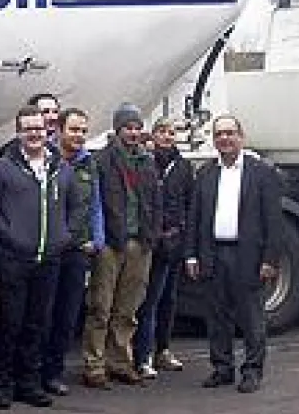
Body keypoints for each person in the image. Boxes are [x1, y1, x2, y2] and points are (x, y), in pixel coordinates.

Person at [0, 105, 75, 409]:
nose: (34, 134)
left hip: (49, 257)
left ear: (48, 131)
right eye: (28, 129)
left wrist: (66, 235)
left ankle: (28, 382)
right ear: (19, 132)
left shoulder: (61, 168)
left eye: (39, 128)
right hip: (15, 257)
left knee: (38, 322)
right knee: (11, 321)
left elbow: (77, 205)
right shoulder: (4, 168)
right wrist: (7, 235)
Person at [187, 115, 282, 393]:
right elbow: (195, 216)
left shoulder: (260, 172)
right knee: (216, 317)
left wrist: (270, 259)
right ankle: (222, 368)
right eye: (219, 134)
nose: (224, 138)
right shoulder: (205, 173)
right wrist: (192, 255)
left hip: (247, 255)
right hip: (213, 252)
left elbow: (273, 220)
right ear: (214, 140)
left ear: (241, 137)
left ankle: (252, 370)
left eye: (230, 133)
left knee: (251, 317)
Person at [81, 104, 159, 389]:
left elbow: (154, 201)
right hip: (112, 244)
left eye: (138, 127)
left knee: (128, 308)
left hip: (140, 243)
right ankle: (94, 364)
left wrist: (153, 236)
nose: (134, 133)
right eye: (128, 127)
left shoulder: (147, 162)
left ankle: (120, 361)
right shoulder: (101, 161)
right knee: (100, 306)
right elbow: (93, 203)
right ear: (117, 130)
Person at [41, 108, 106, 396]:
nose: (78, 136)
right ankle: (32, 372)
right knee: (43, 313)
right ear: (59, 130)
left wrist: (98, 238)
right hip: (48, 249)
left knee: (67, 315)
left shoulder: (88, 165)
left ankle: (54, 373)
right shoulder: (46, 161)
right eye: (74, 130)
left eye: (83, 130)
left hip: (77, 249)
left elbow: (95, 204)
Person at [134, 117, 194, 378]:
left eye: (172, 132)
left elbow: (190, 203)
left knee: (170, 299)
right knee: (150, 300)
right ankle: (143, 354)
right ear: (153, 135)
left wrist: (184, 237)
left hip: (174, 242)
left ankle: (163, 350)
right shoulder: (146, 163)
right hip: (151, 242)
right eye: (162, 132)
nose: (167, 136)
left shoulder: (183, 167)